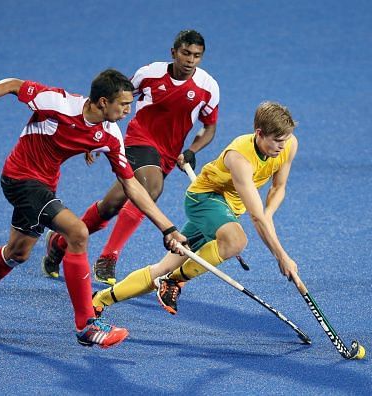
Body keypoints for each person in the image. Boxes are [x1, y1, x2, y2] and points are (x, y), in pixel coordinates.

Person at [0, 69, 187, 348]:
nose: (129, 110)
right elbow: (10, 84)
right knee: (77, 232)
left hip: (45, 185)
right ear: (103, 102)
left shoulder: (110, 134)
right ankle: (87, 324)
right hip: (20, 178)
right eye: (124, 104)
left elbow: (132, 185)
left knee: (18, 252)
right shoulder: (58, 103)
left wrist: (168, 228)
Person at [41, 30, 219, 285]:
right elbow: (113, 100)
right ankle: (108, 257)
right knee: (151, 187)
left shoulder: (208, 87)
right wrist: (92, 134)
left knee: (113, 204)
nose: (191, 60)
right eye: (186, 53)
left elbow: (209, 127)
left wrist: (192, 150)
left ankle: (59, 241)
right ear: (174, 52)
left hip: (167, 155)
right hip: (139, 139)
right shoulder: (149, 74)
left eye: (197, 56)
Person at [91, 101, 300, 318]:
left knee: (161, 268)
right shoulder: (240, 158)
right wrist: (281, 256)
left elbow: (279, 187)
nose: (282, 146)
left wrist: (269, 213)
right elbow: (256, 218)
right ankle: (174, 280)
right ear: (259, 133)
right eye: (276, 141)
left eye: (285, 140)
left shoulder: (289, 144)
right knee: (235, 241)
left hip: (226, 210)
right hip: (204, 200)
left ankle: (100, 299)